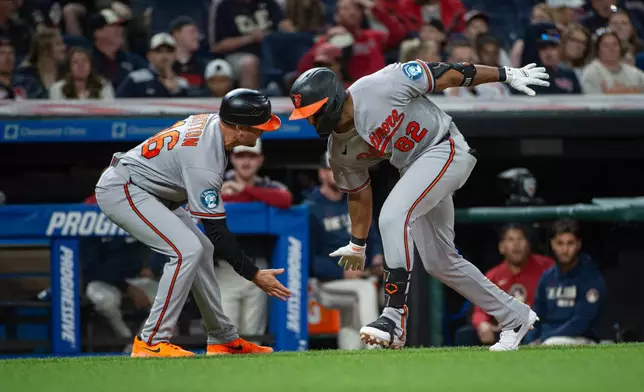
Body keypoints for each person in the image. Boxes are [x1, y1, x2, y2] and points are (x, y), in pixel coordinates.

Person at [288, 56, 550, 351]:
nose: (310, 120)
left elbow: (450, 73)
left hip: (444, 146)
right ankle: (515, 317)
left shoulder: (381, 85)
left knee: (393, 215)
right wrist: (357, 244)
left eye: (312, 112)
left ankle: (394, 315)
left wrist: (505, 73)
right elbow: (359, 194)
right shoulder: (339, 150)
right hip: (416, 169)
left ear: (332, 100)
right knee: (441, 262)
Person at [95, 88, 290, 357]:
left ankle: (222, 338)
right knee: (186, 250)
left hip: (151, 190)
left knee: (201, 250)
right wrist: (254, 274)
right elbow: (217, 230)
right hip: (126, 188)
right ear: (238, 128)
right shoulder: (205, 159)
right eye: (258, 127)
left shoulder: (215, 124)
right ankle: (151, 341)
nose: (262, 132)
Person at [215, 138, 293, 341]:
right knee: (226, 336)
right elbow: (203, 202)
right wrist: (238, 195)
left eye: (251, 156)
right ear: (232, 158)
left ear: (260, 159)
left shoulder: (268, 184)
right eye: (241, 156)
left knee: (253, 336)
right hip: (225, 269)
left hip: (259, 269)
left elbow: (285, 199)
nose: (246, 162)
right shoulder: (217, 182)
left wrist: (244, 190)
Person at [305, 152, 383, 350]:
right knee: (365, 290)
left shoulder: (355, 200)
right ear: (322, 173)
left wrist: (377, 257)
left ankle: (350, 358)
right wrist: (341, 272)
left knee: (352, 318)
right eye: (333, 169)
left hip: (358, 278)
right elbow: (308, 258)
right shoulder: (310, 208)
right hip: (325, 283)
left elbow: (372, 236)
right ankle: (376, 348)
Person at [453, 224, 554, 346]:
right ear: (501, 247)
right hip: (503, 329)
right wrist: (482, 324)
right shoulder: (494, 274)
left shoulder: (545, 267)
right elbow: (480, 309)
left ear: (528, 245)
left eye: (520, 239)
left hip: (535, 327)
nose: (516, 244)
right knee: (465, 334)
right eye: (511, 240)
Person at [528, 219, 607, 345]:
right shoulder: (547, 277)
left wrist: (544, 339)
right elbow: (536, 317)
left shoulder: (590, 277)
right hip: (546, 339)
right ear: (552, 244)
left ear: (578, 244)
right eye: (560, 243)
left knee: (552, 343)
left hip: (581, 339)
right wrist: (529, 341)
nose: (565, 249)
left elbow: (581, 322)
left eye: (570, 243)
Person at [297, 0, 407, 84]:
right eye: (346, 9)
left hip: (378, 88)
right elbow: (304, 69)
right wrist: (326, 42)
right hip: (347, 93)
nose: (352, 12)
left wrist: (373, 8)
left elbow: (399, 33)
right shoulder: (328, 40)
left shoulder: (373, 36)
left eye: (356, 9)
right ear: (336, 16)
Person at [210, 0, 294, 89]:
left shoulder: (269, 3)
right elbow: (217, 46)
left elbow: (286, 27)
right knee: (250, 63)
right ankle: (250, 100)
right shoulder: (224, 7)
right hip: (238, 55)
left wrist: (287, 28)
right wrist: (250, 38)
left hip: (271, 53)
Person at [116, 33, 189, 98]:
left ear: (175, 55)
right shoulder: (135, 79)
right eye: (159, 51)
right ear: (149, 55)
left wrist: (174, 91)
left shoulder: (182, 84)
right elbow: (118, 103)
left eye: (169, 51)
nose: (164, 56)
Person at [91, 9, 146, 89]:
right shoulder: (87, 61)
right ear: (98, 32)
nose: (119, 29)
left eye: (121, 26)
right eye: (113, 25)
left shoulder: (134, 62)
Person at [581, 28, 644, 94]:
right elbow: (589, 100)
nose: (611, 48)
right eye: (606, 45)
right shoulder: (590, 73)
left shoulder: (634, 73)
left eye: (615, 45)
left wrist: (630, 91)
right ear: (598, 50)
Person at [444, 40, 510, 97]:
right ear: (449, 62)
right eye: (460, 61)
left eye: (469, 60)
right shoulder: (440, 85)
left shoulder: (491, 84)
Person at [13, 28, 66, 99]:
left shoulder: (67, 72)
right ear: (45, 50)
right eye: (58, 44)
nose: (64, 48)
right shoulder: (26, 75)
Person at [49, 47, 115, 99]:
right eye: (75, 62)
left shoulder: (104, 85)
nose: (81, 65)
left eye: (85, 61)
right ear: (69, 67)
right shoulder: (57, 88)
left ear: (91, 65)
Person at [170, 16, 206, 91]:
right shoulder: (167, 66)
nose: (196, 36)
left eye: (197, 32)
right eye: (192, 32)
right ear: (177, 34)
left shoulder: (203, 67)